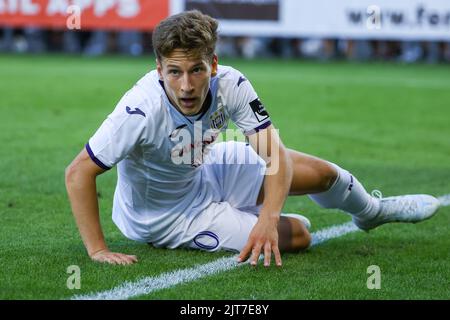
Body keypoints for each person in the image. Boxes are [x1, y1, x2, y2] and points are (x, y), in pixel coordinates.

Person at [65, 10, 441, 267]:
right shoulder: (140, 109)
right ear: (158, 69)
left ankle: (373, 213)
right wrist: (97, 250)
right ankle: (238, 218)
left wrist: (269, 214)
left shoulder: (232, 83)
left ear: (212, 64)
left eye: (196, 70)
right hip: (168, 216)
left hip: (205, 167)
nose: (186, 85)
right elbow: (79, 172)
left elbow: (275, 155)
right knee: (300, 235)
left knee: (323, 175)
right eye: (174, 72)